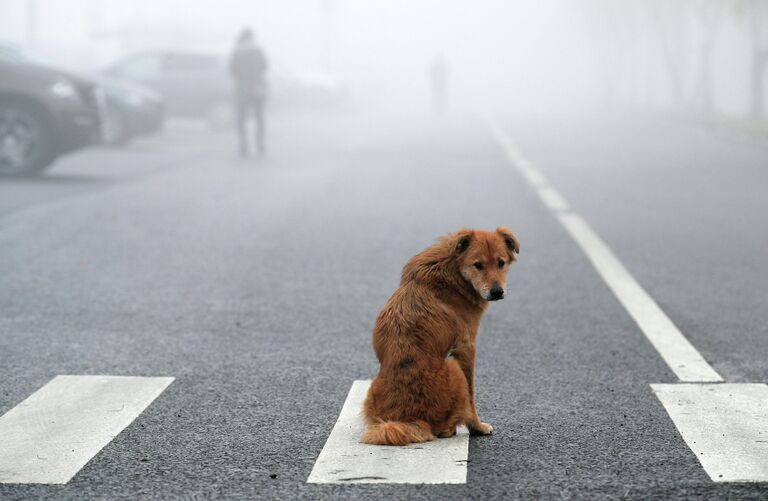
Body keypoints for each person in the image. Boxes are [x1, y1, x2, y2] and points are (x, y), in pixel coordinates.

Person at [228, 28, 268, 158]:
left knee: (241, 119)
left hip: (242, 89)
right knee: (259, 118)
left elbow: (231, 70)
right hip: (257, 87)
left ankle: (243, 146)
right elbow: (265, 66)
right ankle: (260, 145)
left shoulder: (237, 52)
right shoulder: (258, 51)